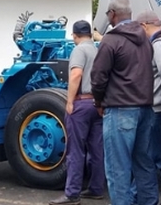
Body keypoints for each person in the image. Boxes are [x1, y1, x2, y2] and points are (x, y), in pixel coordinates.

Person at [89, 0, 157, 205]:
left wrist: (99, 102)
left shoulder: (111, 40)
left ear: (112, 14)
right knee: (144, 164)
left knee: (118, 168)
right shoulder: (145, 39)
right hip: (146, 108)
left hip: (120, 109)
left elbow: (98, 77)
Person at [48, 20, 106, 205]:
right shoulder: (97, 50)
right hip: (97, 104)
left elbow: (75, 75)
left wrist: (70, 101)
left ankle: (72, 194)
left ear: (74, 35)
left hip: (81, 104)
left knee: (75, 150)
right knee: (97, 149)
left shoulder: (79, 50)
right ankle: (96, 188)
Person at [129, 11, 161, 205]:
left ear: (144, 26)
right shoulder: (157, 45)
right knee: (148, 155)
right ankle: (136, 196)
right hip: (157, 109)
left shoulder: (160, 46)